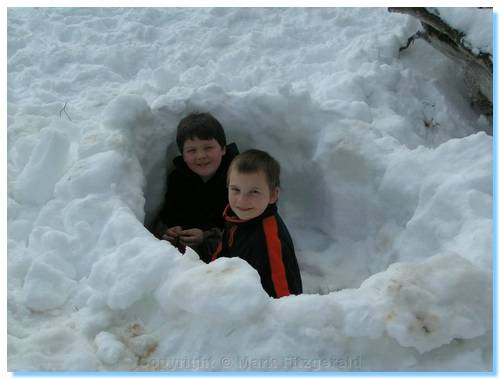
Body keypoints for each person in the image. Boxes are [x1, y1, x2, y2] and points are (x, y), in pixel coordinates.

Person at [210, 149, 302, 298]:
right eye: (235, 190)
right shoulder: (236, 218)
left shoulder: (269, 240)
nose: (241, 200)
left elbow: (284, 297)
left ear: (272, 195)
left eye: (254, 192)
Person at [154, 112, 238, 262]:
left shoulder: (237, 177)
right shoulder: (178, 178)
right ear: (183, 155)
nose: (200, 156)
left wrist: (206, 237)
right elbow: (168, 215)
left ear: (223, 149)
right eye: (192, 150)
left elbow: (241, 228)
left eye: (208, 147)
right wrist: (169, 231)